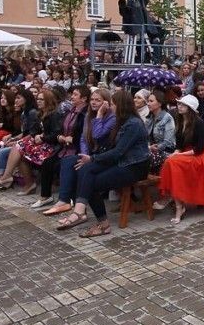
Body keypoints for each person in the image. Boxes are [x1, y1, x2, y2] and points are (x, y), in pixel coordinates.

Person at [54, 89, 150, 238]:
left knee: (91, 181)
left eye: (112, 104)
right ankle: (79, 211)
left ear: (121, 105)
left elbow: (118, 151)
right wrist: (92, 158)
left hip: (134, 167)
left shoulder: (133, 124)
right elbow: (103, 142)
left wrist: (93, 158)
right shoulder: (121, 121)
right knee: (86, 169)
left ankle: (101, 223)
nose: (109, 107)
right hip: (121, 162)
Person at [156, 94, 204, 224]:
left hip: (199, 155)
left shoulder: (198, 122)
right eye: (179, 104)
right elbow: (179, 146)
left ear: (190, 108)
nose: (179, 106)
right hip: (185, 153)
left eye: (183, 104)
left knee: (172, 162)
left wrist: (178, 155)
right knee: (169, 162)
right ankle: (177, 203)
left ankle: (175, 203)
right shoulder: (179, 120)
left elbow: (199, 149)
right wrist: (176, 153)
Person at [43, 88, 114, 216]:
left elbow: (98, 135)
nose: (93, 102)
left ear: (106, 102)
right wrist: (84, 154)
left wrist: (99, 115)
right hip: (90, 154)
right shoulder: (88, 115)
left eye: (98, 100)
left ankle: (80, 210)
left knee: (81, 169)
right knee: (68, 161)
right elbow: (83, 138)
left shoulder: (111, 117)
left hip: (104, 156)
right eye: (92, 99)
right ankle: (64, 200)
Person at [31, 86, 89, 209]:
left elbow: (83, 135)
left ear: (84, 99)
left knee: (64, 164)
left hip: (77, 149)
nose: (71, 97)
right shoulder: (71, 111)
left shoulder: (84, 114)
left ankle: (67, 199)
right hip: (64, 147)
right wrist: (60, 137)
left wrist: (70, 139)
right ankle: (45, 197)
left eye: (75, 95)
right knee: (47, 163)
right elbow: (60, 130)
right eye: (72, 94)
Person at [146, 90, 176, 173]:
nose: (148, 104)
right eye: (148, 101)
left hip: (165, 151)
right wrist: (148, 147)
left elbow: (168, 142)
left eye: (151, 101)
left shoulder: (168, 118)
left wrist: (154, 148)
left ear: (160, 103)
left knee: (143, 158)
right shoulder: (149, 118)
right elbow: (144, 138)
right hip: (151, 150)